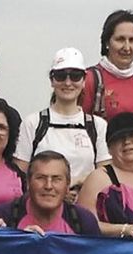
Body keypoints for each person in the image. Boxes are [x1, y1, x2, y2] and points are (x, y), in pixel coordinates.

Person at [16, 48, 110, 185]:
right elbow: (20, 174)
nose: (67, 82)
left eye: (75, 76)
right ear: (52, 80)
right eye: (60, 76)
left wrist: (75, 184)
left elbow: (104, 174)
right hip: (43, 202)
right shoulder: (33, 123)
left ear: (84, 80)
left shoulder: (98, 126)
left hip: (85, 202)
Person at [76, 112, 133, 236]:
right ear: (109, 148)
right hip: (113, 251)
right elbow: (84, 224)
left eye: (132, 135)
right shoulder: (99, 178)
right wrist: (125, 229)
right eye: (119, 138)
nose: (127, 141)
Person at [0, 151, 103, 236]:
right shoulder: (4, 217)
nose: (48, 186)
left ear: (67, 185)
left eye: (56, 179)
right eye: (40, 178)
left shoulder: (83, 221)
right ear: (28, 182)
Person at [80, 10, 133, 122]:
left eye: (132, 40)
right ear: (107, 42)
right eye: (120, 39)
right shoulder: (90, 79)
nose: (127, 47)